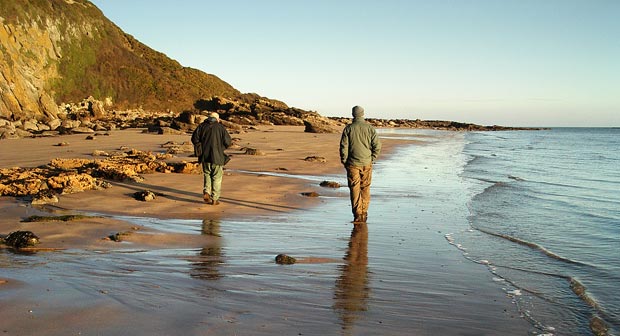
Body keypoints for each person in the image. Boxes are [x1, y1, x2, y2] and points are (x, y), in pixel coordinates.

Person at [340, 105, 381, 223]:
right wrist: (372, 158)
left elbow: (344, 146)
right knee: (365, 187)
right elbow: (377, 145)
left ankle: (358, 213)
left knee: (355, 188)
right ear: (362, 114)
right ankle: (364, 211)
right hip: (366, 162)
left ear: (353, 114)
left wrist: (344, 160)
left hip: (353, 163)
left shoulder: (348, 128)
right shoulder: (370, 128)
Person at [191, 112, 232, 205]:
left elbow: (194, 139)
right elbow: (228, 141)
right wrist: (221, 148)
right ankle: (215, 198)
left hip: (205, 156)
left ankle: (207, 191)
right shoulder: (220, 127)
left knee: (207, 174)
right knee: (217, 178)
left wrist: (200, 147)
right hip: (217, 157)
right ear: (217, 119)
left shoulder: (201, 126)